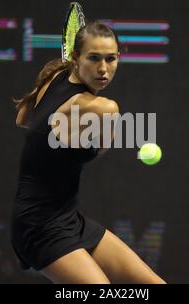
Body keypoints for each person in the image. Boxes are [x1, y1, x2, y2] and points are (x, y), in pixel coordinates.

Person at [11, 21, 166, 284]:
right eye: (94, 58)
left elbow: (24, 119)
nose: (103, 69)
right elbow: (101, 148)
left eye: (111, 59)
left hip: (68, 219)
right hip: (38, 227)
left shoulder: (53, 77)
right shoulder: (105, 108)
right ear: (76, 57)